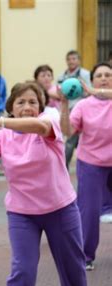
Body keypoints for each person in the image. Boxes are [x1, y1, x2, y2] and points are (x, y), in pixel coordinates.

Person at [0, 82, 94, 286]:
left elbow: (37, 125)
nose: (27, 107)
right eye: (21, 102)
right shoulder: (3, 136)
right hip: (22, 214)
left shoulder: (49, 119)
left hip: (61, 210)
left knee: (73, 269)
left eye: (32, 102)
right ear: (12, 107)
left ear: (41, 106)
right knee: (23, 271)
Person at [60, 62, 112, 270]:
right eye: (99, 75)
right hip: (91, 164)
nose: (104, 78)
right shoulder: (83, 105)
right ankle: (86, 256)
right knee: (88, 212)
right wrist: (64, 105)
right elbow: (69, 130)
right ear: (92, 80)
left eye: (108, 74)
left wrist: (94, 91)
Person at [57, 50, 91, 169]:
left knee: (72, 141)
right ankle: (63, 166)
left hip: (82, 111)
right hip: (67, 111)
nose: (71, 61)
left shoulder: (85, 74)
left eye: (74, 58)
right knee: (69, 140)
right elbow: (59, 93)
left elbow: (89, 91)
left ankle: (63, 166)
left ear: (79, 60)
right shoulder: (62, 76)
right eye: (69, 59)